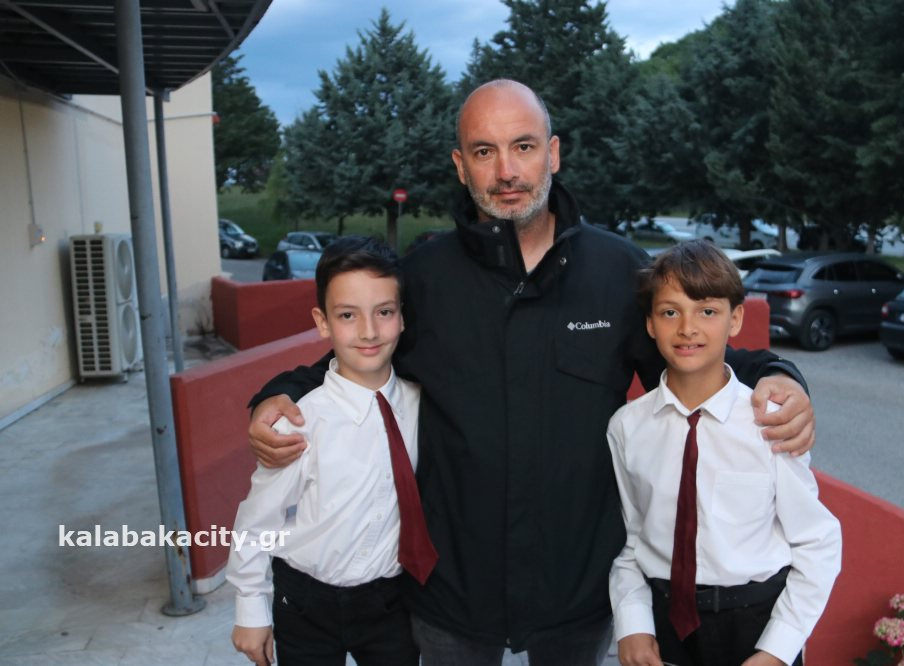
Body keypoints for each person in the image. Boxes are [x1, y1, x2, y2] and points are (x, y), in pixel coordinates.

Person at [246, 79, 817, 665]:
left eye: (523, 146)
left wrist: (778, 372)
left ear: (553, 152)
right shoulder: (424, 278)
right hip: (452, 594)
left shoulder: (618, 270)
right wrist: (277, 394)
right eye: (484, 151)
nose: (506, 171)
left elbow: (692, 359)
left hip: (578, 593)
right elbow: (354, 357)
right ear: (461, 166)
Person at [609, 241, 841, 666]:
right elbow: (631, 539)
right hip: (665, 626)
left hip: (756, 626)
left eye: (707, 311)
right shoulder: (627, 427)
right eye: (670, 312)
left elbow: (817, 541)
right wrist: (632, 623)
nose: (688, 328)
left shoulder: (770, 423)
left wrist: (778, 649)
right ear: (650, 324)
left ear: (735, 320)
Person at [227, 236, 428, 666]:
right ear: (323, 323)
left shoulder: (421, 406)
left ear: (403, 317)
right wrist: (250, 610)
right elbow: (257, 522)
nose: (369, 331)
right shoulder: (300, 420)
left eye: (384, 312)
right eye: (347, 315)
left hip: (392, 601)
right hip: (306, 603)